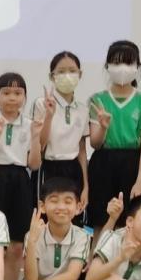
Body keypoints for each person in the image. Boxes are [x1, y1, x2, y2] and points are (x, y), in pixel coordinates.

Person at [0, 72, 41, 280]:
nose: (12, 97)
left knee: (16, 246)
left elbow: (34, 165)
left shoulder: (31, 124)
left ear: (25, 96)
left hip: (20, 181)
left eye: (17, 93)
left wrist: (35, 136)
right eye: (6, 92)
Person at [86, 39, 141, 231]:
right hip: (103, 164)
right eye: (116, 63)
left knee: (130, 223)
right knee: (101, 222)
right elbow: (95, 143)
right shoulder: (97, 99)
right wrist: (103, 127)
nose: (122, 68)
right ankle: (98, 252)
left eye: (128, 62)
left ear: (137, 67)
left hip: (132, 165)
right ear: (107, 66)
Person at [34, 51, 90, 212]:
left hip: (74, 169)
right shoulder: (41, 104)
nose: (67, 75)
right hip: (48, 167)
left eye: (72, 71)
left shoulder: (83, 109)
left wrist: (86, 185)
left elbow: (82, 150)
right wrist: (49, 116)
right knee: (47, 215)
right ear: (52, 76)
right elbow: (40, 144)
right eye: (61, 71)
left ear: (80, 74)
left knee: (73, 215)